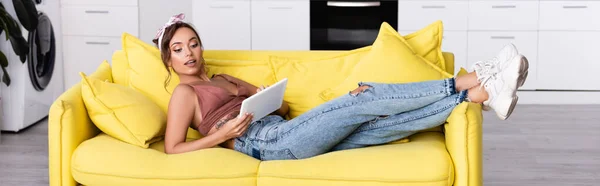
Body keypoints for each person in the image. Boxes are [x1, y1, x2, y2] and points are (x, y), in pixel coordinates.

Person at [153, 14, 529, 161]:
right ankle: (478, 75)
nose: (189, 53)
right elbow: (173, 148)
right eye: (178, 49)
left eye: (193, 44)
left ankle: (479, 95)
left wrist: (269, 97)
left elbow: (282, 110)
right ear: (168, 59)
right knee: (364, 96)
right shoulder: (184, 95)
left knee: (380, 126)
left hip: (281, 128)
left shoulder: (221, 79)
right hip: (263, 144)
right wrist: (224, 134)